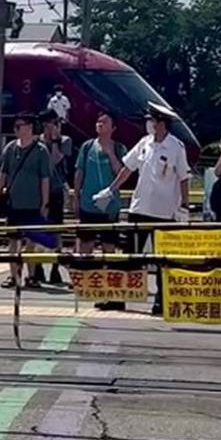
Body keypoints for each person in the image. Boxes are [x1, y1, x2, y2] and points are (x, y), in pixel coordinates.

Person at [94, 101, 190, 315]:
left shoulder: (176, 147)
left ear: (162, 124)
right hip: (140, 208)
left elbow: (184, 178)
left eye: (152, 120)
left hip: (165, 213)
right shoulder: (144, 143)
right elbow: (128, 168)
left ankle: (161, 301)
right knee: (129, 255)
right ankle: (118, 297)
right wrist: (111, 189)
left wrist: (184, 206)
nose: (149, 124)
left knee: (162, 259)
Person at [75, 113, 128, 309]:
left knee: (109, 247)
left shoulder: (119, 147)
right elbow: (79, 172)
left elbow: (121, 172)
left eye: (105, 122)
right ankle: (89, 286)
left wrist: (110, 153)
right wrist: (77, 196)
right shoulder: (87, 146)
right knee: (85, 246)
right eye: (98, 122)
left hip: (109, 206)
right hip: (88, 203)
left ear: (113, 127)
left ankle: (109, 288)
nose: (100, 124)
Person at [0, 114, 50, 290]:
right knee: (13, 241)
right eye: (15, 126)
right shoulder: (10, 149)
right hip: (13, 203)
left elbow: (45, 178)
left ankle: (31, 276)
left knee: (31, 241)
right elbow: (3, 174)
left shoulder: (41, 150)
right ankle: (13, 275)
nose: (16, 129)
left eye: (19, 125)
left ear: (29, 127)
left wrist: (45, 203)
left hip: (33, 203)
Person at [36, 112, 74, 287]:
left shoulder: (65, 141)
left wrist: (55, 141)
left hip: (56, 189)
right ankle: (36, 266)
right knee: (37, 228)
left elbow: (56, 160)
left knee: (56, 229)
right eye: (48, 124)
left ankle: (55, 268)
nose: (51, 128)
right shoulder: (37, 142)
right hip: (37, 190)